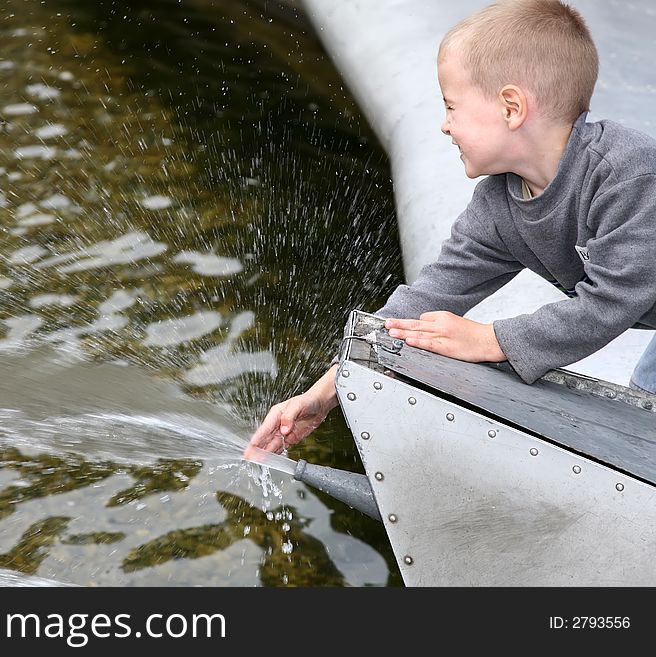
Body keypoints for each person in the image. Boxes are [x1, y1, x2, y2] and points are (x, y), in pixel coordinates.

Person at [247, 0, 656, 457]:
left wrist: (490, 339)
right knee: (643, 429)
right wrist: (326, 391)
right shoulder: (500, 205)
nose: (443, 126)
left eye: (451, 106)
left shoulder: (626, 174)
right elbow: (426, 298)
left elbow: (611, 300)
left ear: (511, 107)